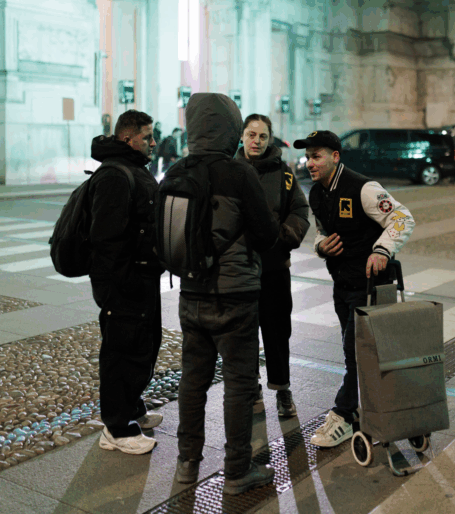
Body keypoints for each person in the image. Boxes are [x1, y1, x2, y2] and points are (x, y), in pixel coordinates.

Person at [174, 93, 280, 495]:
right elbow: (267, 235)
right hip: (235, 296)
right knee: (238, 384)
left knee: (192, 382)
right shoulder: (239, 174)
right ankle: (237, 470)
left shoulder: (178, 172)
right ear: (231, 128)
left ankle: (187, 464)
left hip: (191, 293)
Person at [295, 130, 415, 448]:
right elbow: (322, 232)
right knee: (364, 355)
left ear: (335, 156)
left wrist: (381, 250)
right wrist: (321, 247)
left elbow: (402, 217)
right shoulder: (317, 195)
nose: (310, 162)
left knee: (355, 354)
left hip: (371, 286)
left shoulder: (363, 188)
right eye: (308, 156)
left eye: (316, 155)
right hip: (342, 285)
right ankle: (389, 412)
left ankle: (344, 415)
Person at [88, 109, 164, 455]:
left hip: (141, 278)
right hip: (124, 284)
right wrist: (127, 283)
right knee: (121, 351)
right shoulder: (114, 175)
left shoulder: (130, 169)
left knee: (141, 346)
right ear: (127, 138)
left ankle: (131, 406)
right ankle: (116, 429)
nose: (153, 142)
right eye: (147, 136)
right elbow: (106, 240)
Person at [234, 114, 310, 418]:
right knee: (244, 332)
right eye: (252, 135)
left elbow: (300, 210)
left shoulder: (284, 173)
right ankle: (251, 390)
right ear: (241, 136)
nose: (257, 141)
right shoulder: (230, 170)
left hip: (275, 268)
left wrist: (281, 241)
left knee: (278, 332)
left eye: (263, 136)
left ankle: (282, 389)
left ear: (270, 139)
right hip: (239, 270)